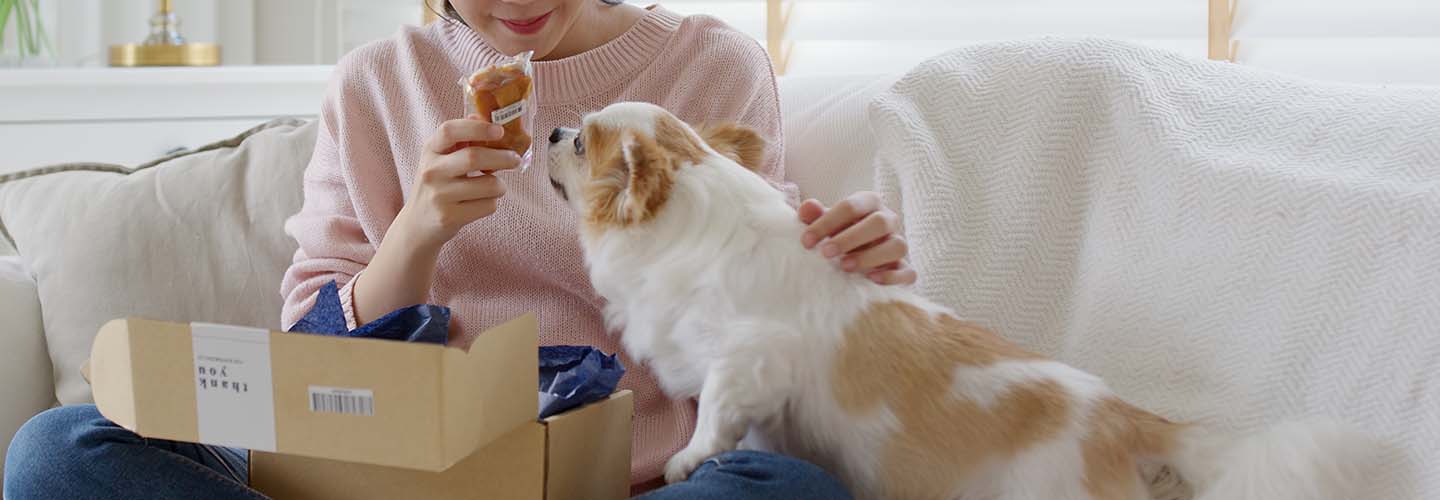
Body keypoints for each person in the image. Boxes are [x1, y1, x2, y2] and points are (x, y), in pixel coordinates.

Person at [5, 1, 913, 498]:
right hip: (383, 477)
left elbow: (756, 311)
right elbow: (308, 360)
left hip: (611, 480)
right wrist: (417, 231)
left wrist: (839, 265)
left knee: (781, 492)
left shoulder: (710, 66)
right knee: (57, 453)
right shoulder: (376, 85)